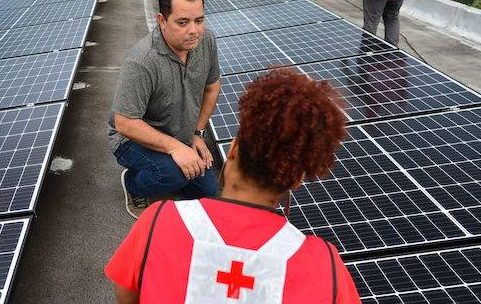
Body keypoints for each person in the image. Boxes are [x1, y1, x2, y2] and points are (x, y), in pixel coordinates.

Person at [105, 69, 361, 303]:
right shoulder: (326, 267)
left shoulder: (159, 220)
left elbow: (126, 293)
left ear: (234, 149)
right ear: (296, 180)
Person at [108, 0, 221, 218]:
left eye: (199, 20)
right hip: (131, 140)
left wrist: (197, 134)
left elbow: (212, 88)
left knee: (207, 192)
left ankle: (169, 167)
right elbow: (124, 123)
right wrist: (176, 147)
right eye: (183, 22)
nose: (194, 30)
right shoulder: (142, 61)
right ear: (162, 21)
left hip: (180, 134)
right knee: (171, 174)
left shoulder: (206, 42)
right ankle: (133, 183)